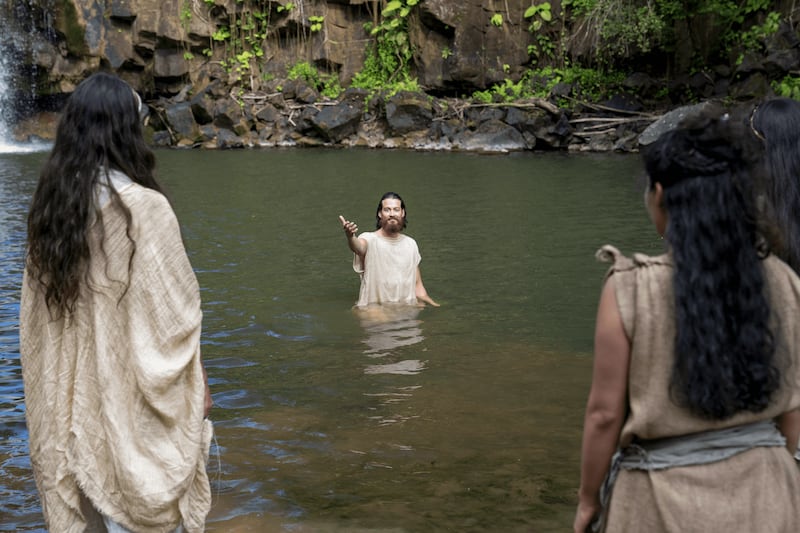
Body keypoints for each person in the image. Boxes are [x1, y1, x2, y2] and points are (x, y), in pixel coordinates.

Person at [573, 110, 800, 533]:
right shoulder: (783, 280)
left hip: (658, 498)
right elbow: (792, 409)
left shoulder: (629, 288)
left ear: (660, 195)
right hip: (769, 491)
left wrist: (588, 500)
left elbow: (604, 415)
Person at [20, 72, 213, 532]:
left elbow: (35, 329)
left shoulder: (50, 213)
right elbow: (174, 320)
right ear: (127, 128)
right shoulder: (145, 208)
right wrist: (198, 384)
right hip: (126, 407)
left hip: (68, 412)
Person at [339, 192, 439, 308]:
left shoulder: (410, 244)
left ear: (402, 213)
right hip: (375, 312)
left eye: (396, 209)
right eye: (387, 210)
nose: (392, 214)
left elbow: (418, 286)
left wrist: (434, 305)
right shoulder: (369, 239)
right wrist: (350, 236)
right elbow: (358, 247)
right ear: (380, 214)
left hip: (406, 311)